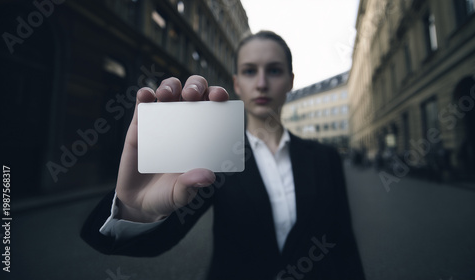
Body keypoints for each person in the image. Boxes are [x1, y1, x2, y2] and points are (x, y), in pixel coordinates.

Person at [81, 30, 365, 280]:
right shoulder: (215, 156)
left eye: (275, 70)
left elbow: (344, 246)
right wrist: (138, 211)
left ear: (291, 81)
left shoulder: (325, 158)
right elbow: (159, 243)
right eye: (250, 71)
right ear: (237, 83)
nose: (262, 83)